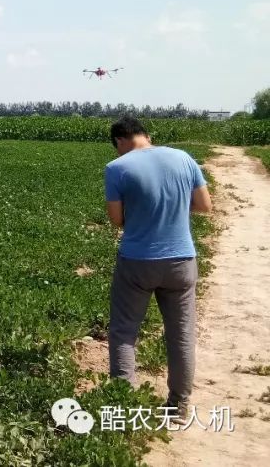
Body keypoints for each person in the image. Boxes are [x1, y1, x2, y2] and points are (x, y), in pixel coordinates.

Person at [105, 116, 213, 413]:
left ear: (120, 140)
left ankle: (124, 407)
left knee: (124, 332)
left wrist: (142, 212)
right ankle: (178, 406)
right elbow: (205, 205)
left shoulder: (117, 168)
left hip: (137, 262)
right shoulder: (184, 158)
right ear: (146, 135)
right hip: (181, 261)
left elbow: (116, 220)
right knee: (181, 334)